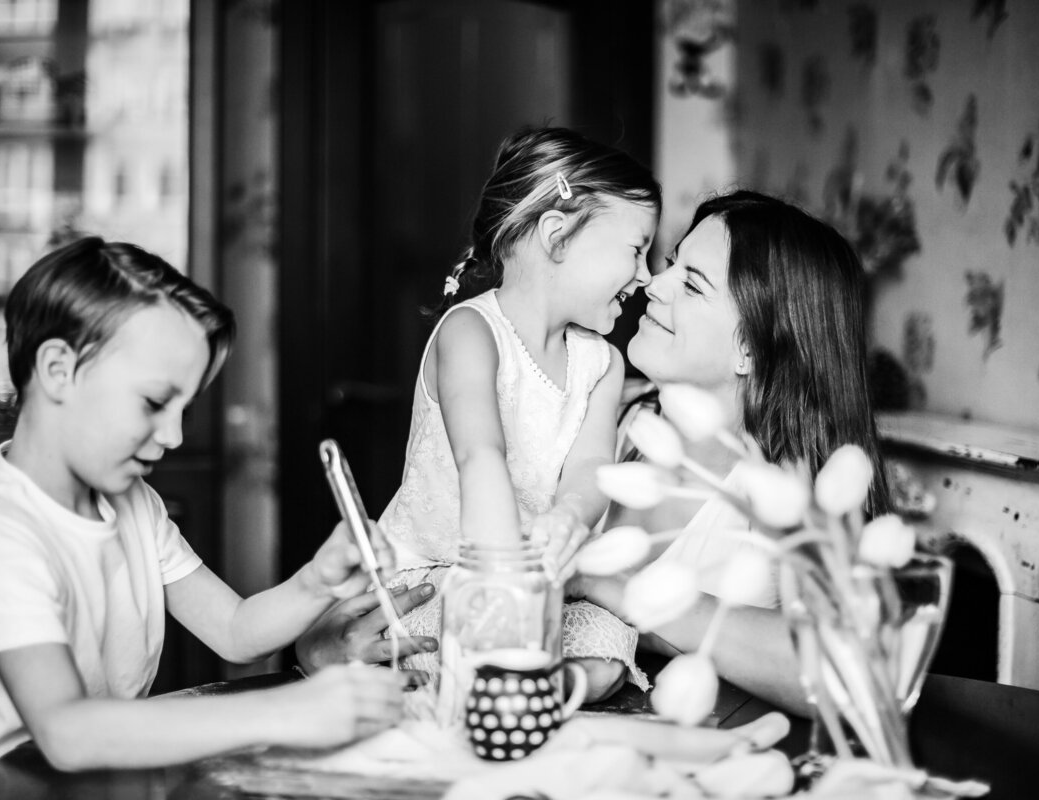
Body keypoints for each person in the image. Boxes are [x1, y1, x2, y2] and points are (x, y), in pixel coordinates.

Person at [0, 238, 408, 797]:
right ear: (59, 369)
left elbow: (235, 632)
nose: (175, 436)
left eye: (185, 410)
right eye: (155, 403)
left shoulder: (133, 502)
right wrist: (289, 710)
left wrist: (314, 581)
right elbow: (66, 733)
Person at [299, 127, 661, 702]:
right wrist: (501, 590)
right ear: (558, 235)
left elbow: (592, 466)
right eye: (637, 249)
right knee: (429, 634)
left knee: (609, 645)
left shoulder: (602, 364)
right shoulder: (471, 331)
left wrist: (570, 515)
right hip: (442, 575)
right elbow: (480, 456)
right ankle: (491, 682)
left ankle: (508, 688)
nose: (645, 276)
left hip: (543, 586)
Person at [574, 189, 890, 717]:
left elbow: (847, 672)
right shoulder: (607, 416)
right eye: (672, 263)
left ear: (752, 347)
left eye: (692, 284)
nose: (654, 282)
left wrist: (613, 585)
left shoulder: (794, 490)